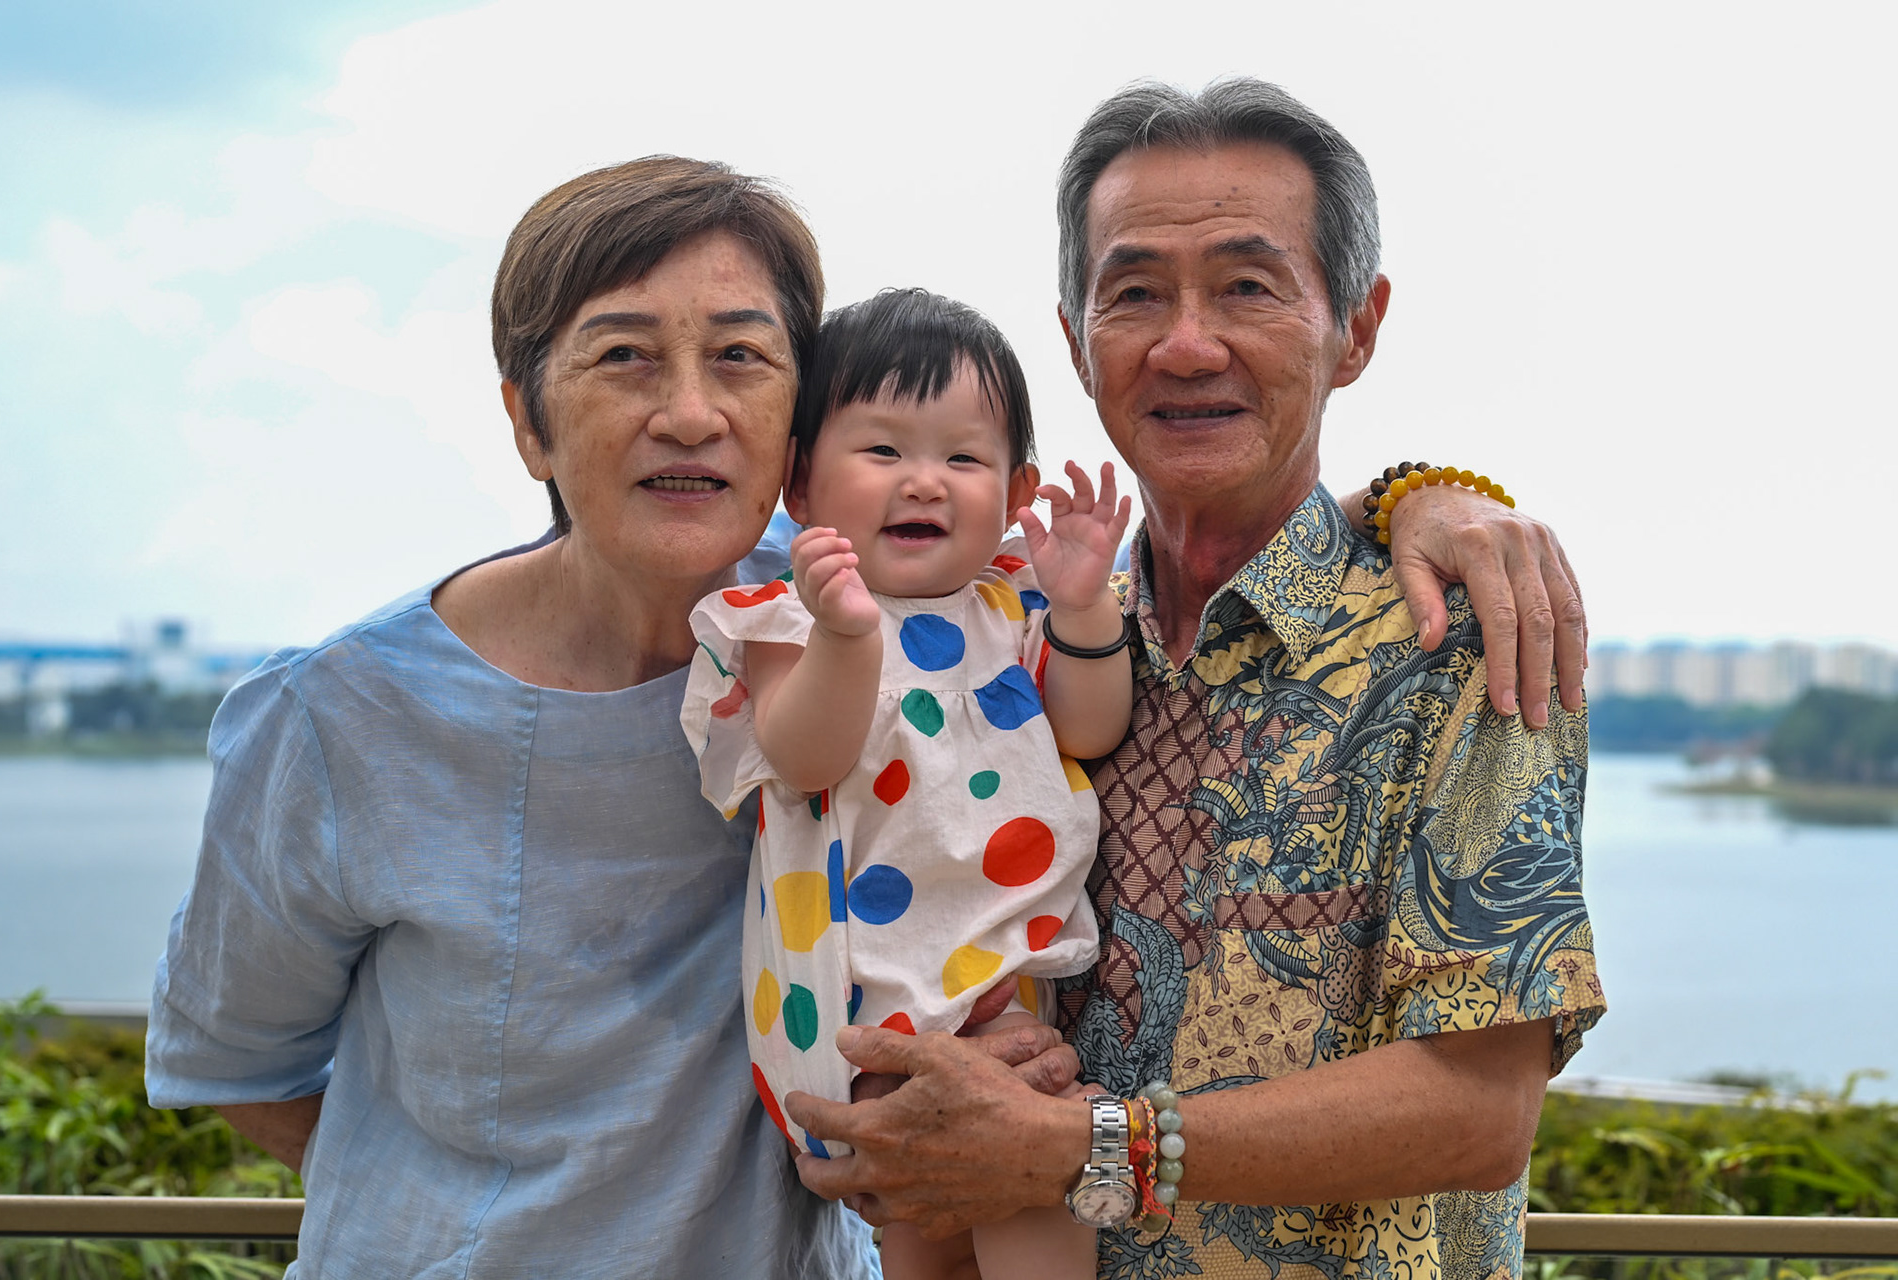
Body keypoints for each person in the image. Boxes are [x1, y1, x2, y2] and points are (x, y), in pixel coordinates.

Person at [146, 150, 1590, 1278]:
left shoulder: (939, 615)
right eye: (624, 356)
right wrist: (480, 1214)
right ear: (528, 417)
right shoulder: (340, 717)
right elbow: (241, 1073)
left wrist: (1425, 498)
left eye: (741, 358)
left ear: (793, 426)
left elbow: (1179, 559)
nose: (691, 413)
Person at [788, 79, 1606, 1280]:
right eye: (1133, 293)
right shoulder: (1032, 639)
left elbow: (1481, 1108)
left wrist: (1079, 1146)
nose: (1185, 343)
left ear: (1357, 329)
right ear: (1075, 342)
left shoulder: (1459, 639)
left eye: (1247, 286)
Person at [683, 287, 1135, 1278]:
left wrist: (1083, 610)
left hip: (1004, 986)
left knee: (988, 1197)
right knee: (971, 1188)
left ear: (1016, 493)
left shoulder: (1011, 607)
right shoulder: (786, 620)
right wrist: (847, 635)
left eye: (963, 458)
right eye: (883, 450)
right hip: (865, 1007)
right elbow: (806, 755)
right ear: (802, 481)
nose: (924, 481)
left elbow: (1090, 727)